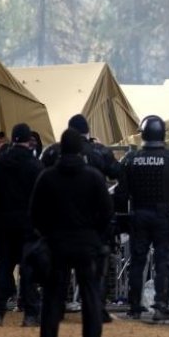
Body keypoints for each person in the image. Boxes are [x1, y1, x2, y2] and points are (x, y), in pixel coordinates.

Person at [30, 128, 113, 337]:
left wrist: (48, 234)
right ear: (80, 149)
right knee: (91, 301)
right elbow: (106, 214)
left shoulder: (47, 177)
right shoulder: (94, 177)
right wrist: (94, 236)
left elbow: (35, 214)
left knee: (52, 302)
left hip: (56, 245)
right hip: (87, 246)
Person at [114, 115, 169, 321]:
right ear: (163, 134)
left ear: (143, 134)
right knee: (164, 261)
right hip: (162, 216)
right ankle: (160, 306)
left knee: (137, 261)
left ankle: (135, 307)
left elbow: (121, 192)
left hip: (138, 214)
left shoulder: (130, 159)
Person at [41, 114, 122, 323]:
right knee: (94, 272)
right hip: (91, 225)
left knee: (59, 270)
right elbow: (117, 173)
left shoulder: (51, 153)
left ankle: (56, 309)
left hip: (58, 222)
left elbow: (38, 183)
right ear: (87, 133)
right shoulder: (99, 153)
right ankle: (96, 309)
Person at [0, 123, 44, 327]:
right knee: (28, 269)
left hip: (2, 224)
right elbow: (44, 197)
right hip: (28, 225)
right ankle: (30, 314)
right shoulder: (35, 165)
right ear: (28, 140)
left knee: (3, 267)